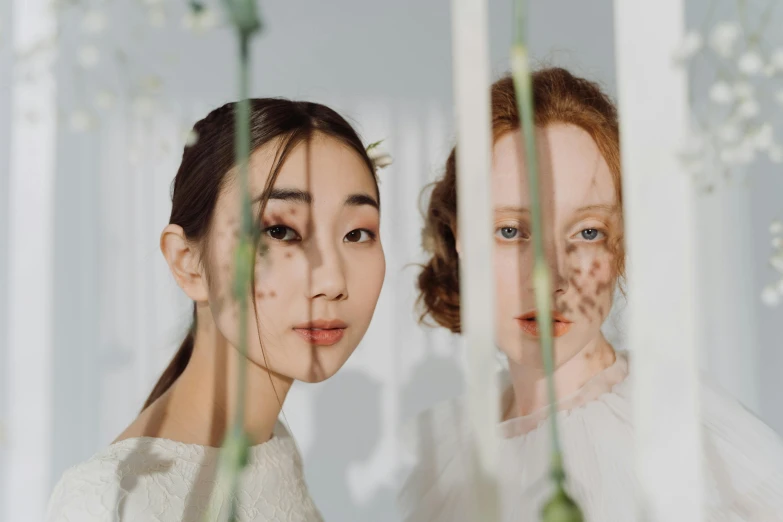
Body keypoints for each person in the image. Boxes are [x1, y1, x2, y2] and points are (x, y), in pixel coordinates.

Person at [398, 68, 783, 521]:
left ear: (622, 243)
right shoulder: (453, 450)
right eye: (510, 230)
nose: (550, 276)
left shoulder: (676, 441)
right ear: (459, 234)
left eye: (587, 231)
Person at [46, 99, 387, 521]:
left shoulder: (272, 446)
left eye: (356, 233)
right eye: (280, 231)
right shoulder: (112, 500)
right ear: (186, 261)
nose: (333, 282)